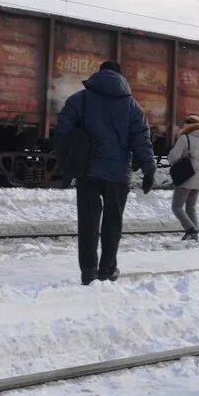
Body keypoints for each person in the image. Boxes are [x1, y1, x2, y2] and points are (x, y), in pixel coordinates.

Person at [55, 61, 156, 286]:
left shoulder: (79, 100)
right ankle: (107, 270)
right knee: (113, 223)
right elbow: (141, 139)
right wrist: (149, 168)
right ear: (121, 78)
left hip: (87, 171)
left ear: (98, 74)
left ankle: (88, 272)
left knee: (87, 223)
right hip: (118, 174)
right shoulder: (132, 106)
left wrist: (67, 160)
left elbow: (62, 133)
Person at [167, 114, 199, 240]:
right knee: (191, 207)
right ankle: (194, 234)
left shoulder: (184, 138)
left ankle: (190, 229)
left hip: (185, 178)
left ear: (188, 126)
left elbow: (173, 158)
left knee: (176, 207)